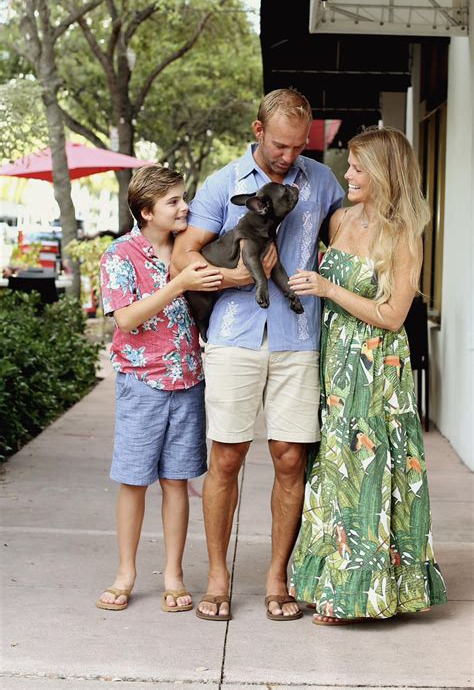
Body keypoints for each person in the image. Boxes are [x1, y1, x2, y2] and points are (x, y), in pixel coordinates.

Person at [171, 88, 344, 620]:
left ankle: (277, 579)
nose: (290, 157)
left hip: (298, 338)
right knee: (227, 457)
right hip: (233, 335)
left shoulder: (322, 182)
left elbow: (350, 236)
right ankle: (219, 579)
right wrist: (237, 277)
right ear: (258, 130)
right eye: (281, 146)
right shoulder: (224, 184)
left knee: (291, 459)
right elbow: (183, 253)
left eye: (298, 147)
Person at [288, 126, 447, 624]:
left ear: (382, 173)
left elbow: (393, 315)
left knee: (368, 472)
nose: (348, 175)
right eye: (349, 165)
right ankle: (330, 583)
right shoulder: (338, 220)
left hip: (377, 370)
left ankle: (361, 594)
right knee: (333, 469)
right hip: (335, 364)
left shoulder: (403, 235)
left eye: (357, 167)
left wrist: (329, 290)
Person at [96, 165, 222, 613]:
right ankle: (125, 573)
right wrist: (180, 284)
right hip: (142, 384)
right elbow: (127, 319)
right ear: (146, 212)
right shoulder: (120, 254)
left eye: (183, 197)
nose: (185, 206)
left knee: (176, 480)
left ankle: (173, 573)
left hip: (188, 382)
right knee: (133, 481)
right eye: (173, 201)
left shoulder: (189, 250)